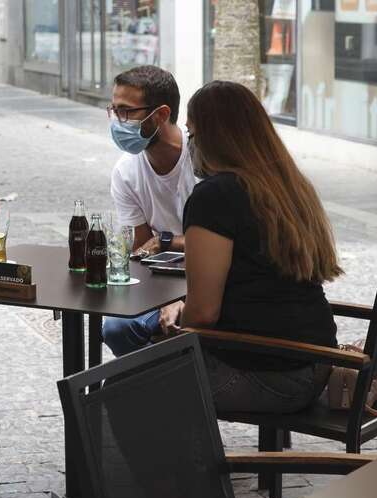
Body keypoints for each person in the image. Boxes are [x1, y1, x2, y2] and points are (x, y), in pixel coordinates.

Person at [168, 80, 342, 413]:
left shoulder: (215, 196)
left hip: (267, 374)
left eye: (192, 134)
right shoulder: (288, 186)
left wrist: (178, 320)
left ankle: (188, 466)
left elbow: (203, 313)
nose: (190, 144)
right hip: (316, 363)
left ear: (213, 137)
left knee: (124, 389)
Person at [102, 65, 197, 357]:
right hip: (163, 281)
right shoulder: (126, 172)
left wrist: (166, 240)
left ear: (161, 114)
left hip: (213, 281)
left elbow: (222, 247)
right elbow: (144, 250)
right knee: (116, 328)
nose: (119, 120)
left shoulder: (203, 161)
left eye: (127, 111)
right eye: (114, 110)